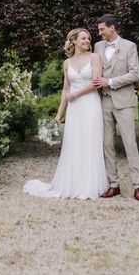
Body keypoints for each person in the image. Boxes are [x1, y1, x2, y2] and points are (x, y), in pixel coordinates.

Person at [23, 28, 108, 199]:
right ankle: (73, 184)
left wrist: (76, 94)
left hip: (90, 104)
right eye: (83, 38)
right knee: (74, 143)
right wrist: (58, 115)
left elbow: (96, 83)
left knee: (90, 141)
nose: (87, 41)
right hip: (74, 109)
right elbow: (65, 90)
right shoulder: (67, 63)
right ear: (74, 41)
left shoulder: (94, 58)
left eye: (89, 38)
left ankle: (90, 185)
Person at [92, 14, 139, 201]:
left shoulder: (130, 46)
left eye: (101, 29)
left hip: (123, 102)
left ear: (112, 27)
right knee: (107, 144)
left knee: (130, 143)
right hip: (104, 101)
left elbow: (134, 74)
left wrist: (110, 81)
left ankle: (137, 185)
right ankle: (113, 185)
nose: (99, 33)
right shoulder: (98, 47)